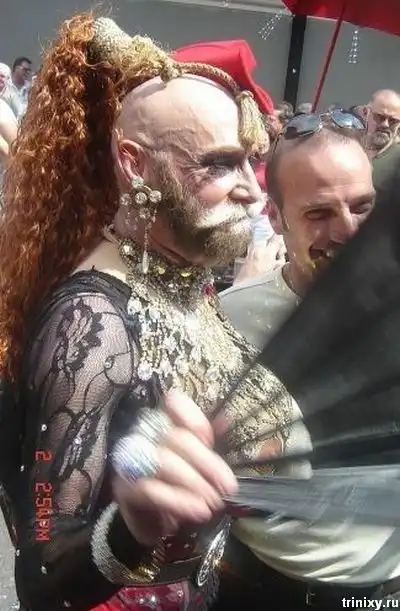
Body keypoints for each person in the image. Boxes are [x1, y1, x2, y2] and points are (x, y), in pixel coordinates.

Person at [0, 14, 302, 611]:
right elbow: (40, 574)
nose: (253, 188)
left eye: (250, 161)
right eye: (219, 164)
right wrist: (129, 527)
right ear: (135, 164)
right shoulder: (90, 321)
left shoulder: (184, 274)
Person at [216, 114, 400, 610]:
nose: (349, 231)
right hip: (257, 590)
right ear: (276, 219)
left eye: (363, 207)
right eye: (319, 213)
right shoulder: (229, 317)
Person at [366, 89, 400, 196]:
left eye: (393, 121)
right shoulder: (351, 147)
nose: (385, 125)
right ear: (366, 113)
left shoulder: (397, 158)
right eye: (380, 117)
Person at [1, 56, 32, 121]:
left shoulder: (30, 87)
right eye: (25, 69)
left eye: (29, 70)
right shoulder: (5, 84)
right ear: (16, 68)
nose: (27, 72)